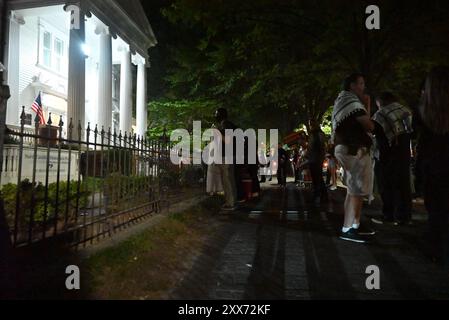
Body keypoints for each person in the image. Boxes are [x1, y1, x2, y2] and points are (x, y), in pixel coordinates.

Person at [332, 73, 376, 243]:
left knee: (353, 189)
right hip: (354, 149)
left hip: (347, 148)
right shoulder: (353, 103)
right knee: (357, 190)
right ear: (351, 85)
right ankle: (348, 227)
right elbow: (369, 125)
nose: (363, 86)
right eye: (360, 83)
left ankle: (353, 225)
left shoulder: (343, 100)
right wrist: (367, 106)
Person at [416, 66, 449, 267]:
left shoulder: (422, 111)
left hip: (434, 168)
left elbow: (422, 144)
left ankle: (439, 253)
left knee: (438, 214)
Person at [371, 92, 413, 226]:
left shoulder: (381, 114)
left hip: (387, 155)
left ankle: (388, 215)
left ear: (381, 102)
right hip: (404, 153)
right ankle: (405, 217)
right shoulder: (406, 111)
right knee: (404, 185)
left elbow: (376, 133)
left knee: (386, 185)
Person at [299, 121, 328, 207]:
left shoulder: (315, 135)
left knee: (316, 178)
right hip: (317, 158)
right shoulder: (319, 134)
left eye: (311, 124)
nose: (310, 126)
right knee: (318, 178)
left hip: (315, 159)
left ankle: (317, 196)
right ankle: (323, 195)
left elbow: (313, 147)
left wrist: (308, 154)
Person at [215, 108, 238, 211]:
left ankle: (230, 203)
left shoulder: (226, 125)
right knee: (229, 179)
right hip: (229, 155)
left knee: (227, 179)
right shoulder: (228, 124)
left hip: (226, 156)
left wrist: (216, 132)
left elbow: (227, 140)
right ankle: (231, 201)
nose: (215, 115)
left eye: (216, 113)